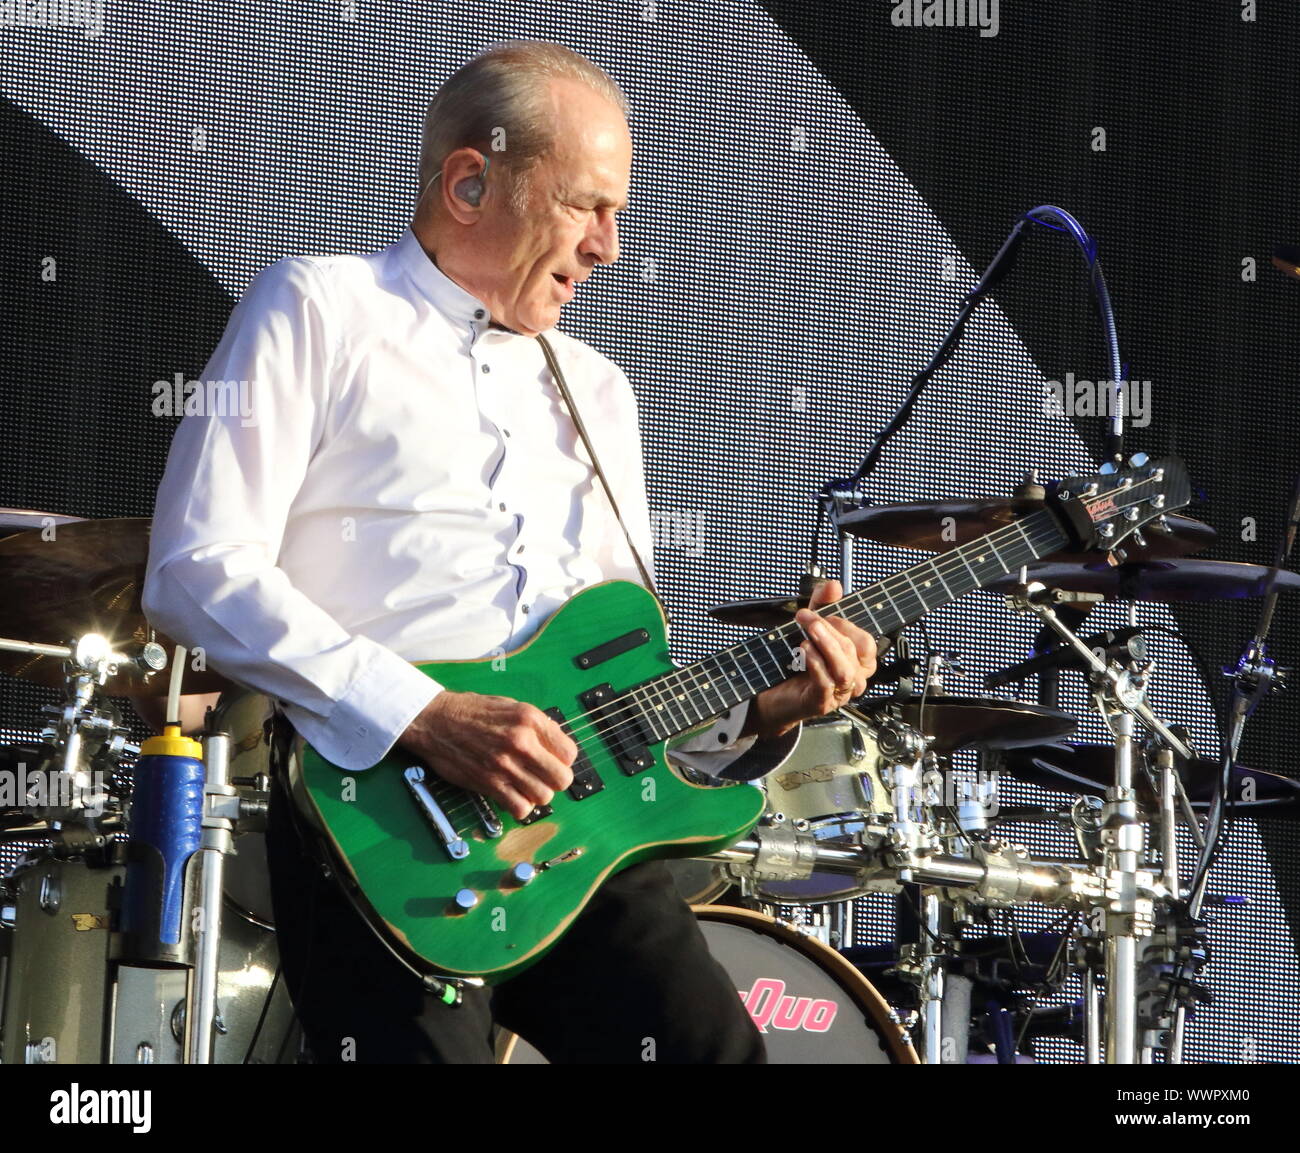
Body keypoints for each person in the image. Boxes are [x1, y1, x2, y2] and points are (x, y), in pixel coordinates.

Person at [142, 39, 877, 1064]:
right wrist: (428, 714)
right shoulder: (319, 307)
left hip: (584, 848)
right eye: (586, 205)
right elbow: (194, 568)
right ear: (469, 180)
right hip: (384, 828)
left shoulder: (600, 390)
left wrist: (768, 708)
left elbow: (627, 685)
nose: (610, 247)